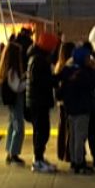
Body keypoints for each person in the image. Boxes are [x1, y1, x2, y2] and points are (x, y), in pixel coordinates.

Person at [60, 46, 95, 175]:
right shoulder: (84, 72)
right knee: (80, 136)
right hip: (82, 108)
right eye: (87, 57)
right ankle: (79, 162)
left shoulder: (68, 70)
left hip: (71, 108)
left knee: (73, 135)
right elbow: (94, 83)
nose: (89, 59)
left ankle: (74, 160)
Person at [26, 32, 60, 173]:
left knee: (40, 131)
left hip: (36, 100)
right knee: (42, 131)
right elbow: (43, 81)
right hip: (38, 101)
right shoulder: (39, 61)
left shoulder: (35, 58)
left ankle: (39, 158)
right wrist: (57, 78)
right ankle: (38, 160)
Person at [0, 41, 28, 166]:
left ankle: (10, 151)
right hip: (16, 100)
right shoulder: (12, 71)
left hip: (11, 101)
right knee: (18, 126)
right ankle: (14, 153)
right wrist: (27, 82)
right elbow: (17, 87)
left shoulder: (7, 70)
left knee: (12, 125)